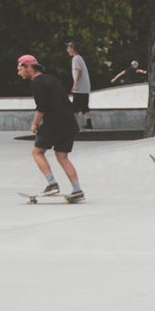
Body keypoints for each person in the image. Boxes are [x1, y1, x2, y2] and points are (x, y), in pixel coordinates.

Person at [16, 55, 84, 201]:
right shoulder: (52, 79)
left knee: (37, 152)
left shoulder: (36, 83)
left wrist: (35, 123)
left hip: (54, 123)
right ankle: (77, 190)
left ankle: (52, 184)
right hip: (69, 123)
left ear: (29, 67)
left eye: (20, 69)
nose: (18, 72)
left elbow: (42, 106)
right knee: (62, 156)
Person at [67, 41, 92, 130]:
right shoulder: (80, 58)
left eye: (68, 48)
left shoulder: (75, 59)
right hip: (85, 87)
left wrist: (75, 84)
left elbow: (78, 71)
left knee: (75, 107)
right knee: (84, 106)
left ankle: (73, 125)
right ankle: (89, 124)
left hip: (80, 87)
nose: (67, 50)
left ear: (72, 49)